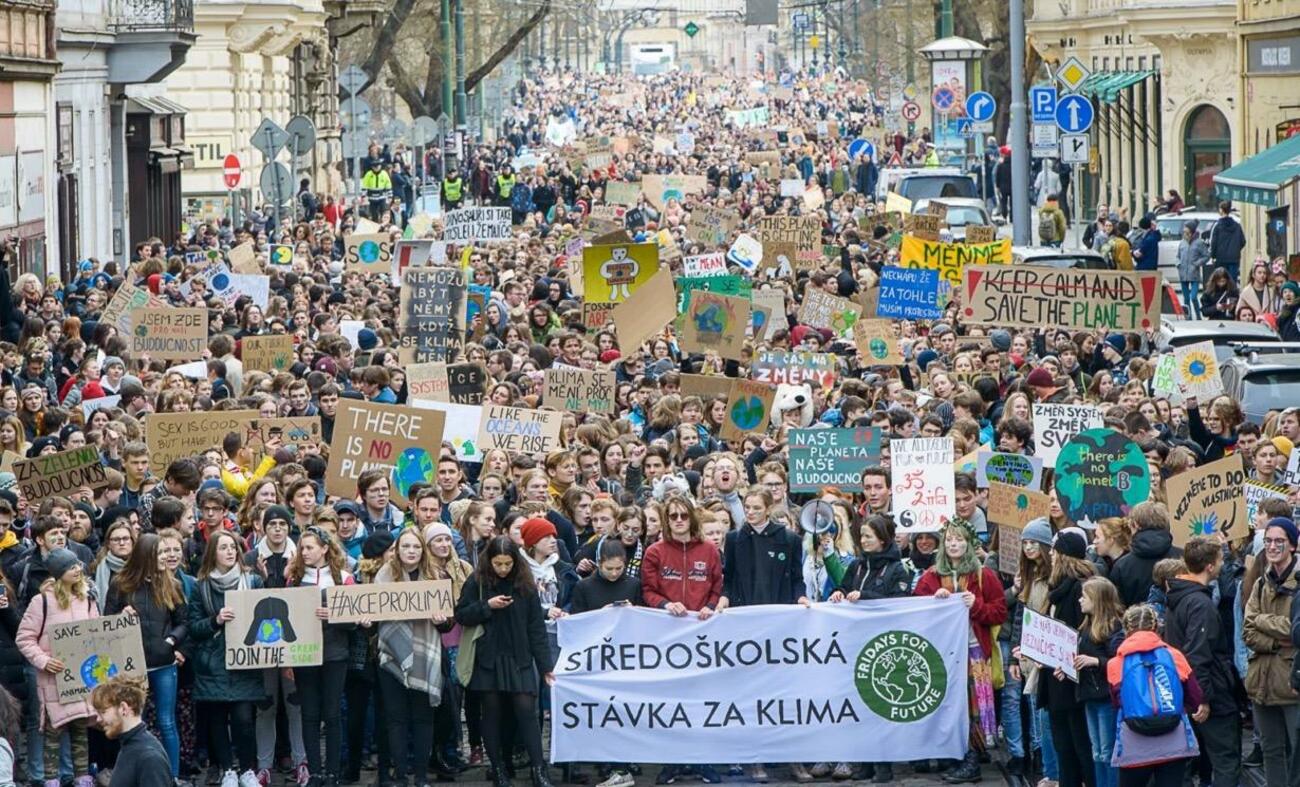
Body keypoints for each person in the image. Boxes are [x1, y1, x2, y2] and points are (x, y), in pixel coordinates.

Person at [454, 536, 555, 787]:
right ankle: (498, 768)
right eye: (498, 564)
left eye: (507, 563)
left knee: (526, 711)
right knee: (492, 713)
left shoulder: (525, 586)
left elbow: (536, 629)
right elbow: (462, 615)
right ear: (490, 561)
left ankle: (538, 768)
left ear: (515, 561)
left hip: (519, 656)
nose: (502, 569)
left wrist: (545, 666)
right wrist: (487, 606)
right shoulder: (477, 581)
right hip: (488, 657)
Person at [914, 518, 1007, 784]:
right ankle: (953, 755)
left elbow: (999, 611)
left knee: (972, 706)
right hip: (942, 654)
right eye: (950, 540)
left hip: (973, 651)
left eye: (960, 540)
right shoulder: (930, 577)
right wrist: (935, 602)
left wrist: (975, 605)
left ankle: (972, 760)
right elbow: (916, 612)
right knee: (947, 704)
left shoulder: (983, 575)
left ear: (968, 544)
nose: (954, 544)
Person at [15, 548, 99, 787]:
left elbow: (96, 634)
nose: (78, 570)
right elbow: (24, 637)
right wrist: (44, 660)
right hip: (53, 678)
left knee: (81, 731)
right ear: (59, 572)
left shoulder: (88, 599)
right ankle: (51, 779)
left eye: (78, 565)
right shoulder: (41, 602)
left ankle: (82, 778)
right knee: (53, 732)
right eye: (72, 567)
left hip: (81, 678)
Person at [187, 531, 263, 787]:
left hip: (244, 660)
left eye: (233, 547)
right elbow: (194, 628)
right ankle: (228, 769)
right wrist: (215, 620)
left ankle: (247, 769)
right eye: (224, 548)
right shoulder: (202, 586)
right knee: (217, 719)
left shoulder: (253, 582)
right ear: (212, 553)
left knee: (244, 719)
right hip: (213, 661)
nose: (230, 552)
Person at [1164, 536, 1239, 787]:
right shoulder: (1199, 603)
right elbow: (1198, 654)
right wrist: (1203, 698)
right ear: (1209, 566)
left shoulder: (1178, 596)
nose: (1221, 564)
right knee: (1225, 759)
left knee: (1186, 761)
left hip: (1185, 690)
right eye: (1219, 560)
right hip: (1209, 694)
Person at [286, 527, 354, 786]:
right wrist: (288, 660)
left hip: (335, 654)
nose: (304, 553)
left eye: (310, 548)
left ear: (325, 549)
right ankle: (315, 771)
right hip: (305, 655)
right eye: (302, 548)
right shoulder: (294, 579)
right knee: (310, 714)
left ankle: (333, 772)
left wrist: (335, 616)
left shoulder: (344, 578)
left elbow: (355, 621)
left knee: (332, 713)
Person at [1106, 604, 1202, 784]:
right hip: (1173, 741)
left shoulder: (1115, 663)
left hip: (1135, 743)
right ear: (1156, 627)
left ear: (1126, 629)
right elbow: (1195, 697)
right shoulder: (1175, 656)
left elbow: (1117, 702)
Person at [1243, 517, 1299, 786]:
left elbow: (1296, 631)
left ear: (1292, 546)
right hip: (1262, 682)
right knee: (1271, 752)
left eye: (1279, 541)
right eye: (1268, 541)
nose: (1273, 546)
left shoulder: (1297, 584)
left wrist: (1263, 621)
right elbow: (1247, 631)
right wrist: (1276, 641)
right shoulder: (1260, 583)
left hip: (1291, 683)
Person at [92, 677, 173, 787]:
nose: (98, 719)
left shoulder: (149, 758)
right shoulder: (129, 745)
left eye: (103, 712)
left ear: (123, 708)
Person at [1176, 220, 1209, 319]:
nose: (1185, 234)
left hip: (1194, 274)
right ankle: (1188, 318)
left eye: (1187, 232)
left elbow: (1206, 256)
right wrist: (1178, 263)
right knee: (1186, 299)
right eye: (1184, 232)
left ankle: (1198, 316)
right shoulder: (1182, 243)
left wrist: (1198, 263)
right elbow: (1177, 256)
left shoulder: (1199, 243)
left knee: (1193, 297)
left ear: (1192, 232)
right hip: (1183, 274)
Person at [1208, 200, 1245, 283]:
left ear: (1221, 210)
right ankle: (1232, 295)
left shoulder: (1217, 226)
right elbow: (1243, 241)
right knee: (1232, 281)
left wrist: (1213, 255)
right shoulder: (1237, 225)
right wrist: (1235, 249)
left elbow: (1213, 243)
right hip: (1234, 258)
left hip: (1221, 258)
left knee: (1221, 281)